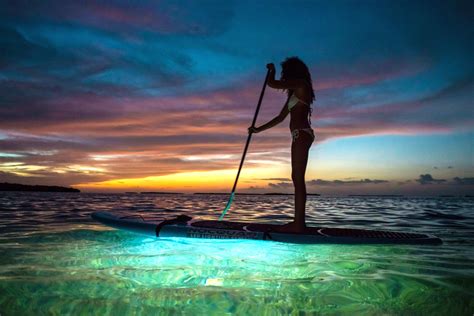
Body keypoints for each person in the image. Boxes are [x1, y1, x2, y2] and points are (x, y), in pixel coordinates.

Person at [248, 57, 315, 233]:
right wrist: (257, 130)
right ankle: (299, 223)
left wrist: (272, 71)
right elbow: (279, 118)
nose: (285, 77)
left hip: (301, 134)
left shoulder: (301, 85)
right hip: (298, 135)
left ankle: (299, 224)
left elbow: (272, 83)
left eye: (285, 72)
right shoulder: (295, 93)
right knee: (296, 178)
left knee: (297, 179)